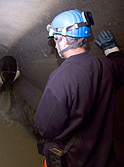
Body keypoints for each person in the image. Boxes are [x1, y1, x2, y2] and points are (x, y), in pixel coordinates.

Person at [34, 10, 124, 167]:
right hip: (104, 159)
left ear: (63, 39)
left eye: (55, 39)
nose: (55, 45)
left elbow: (45, 127)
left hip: (71, 161)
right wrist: (111, 48)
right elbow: (121, 69)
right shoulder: (105, 66)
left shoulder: (60, 78)